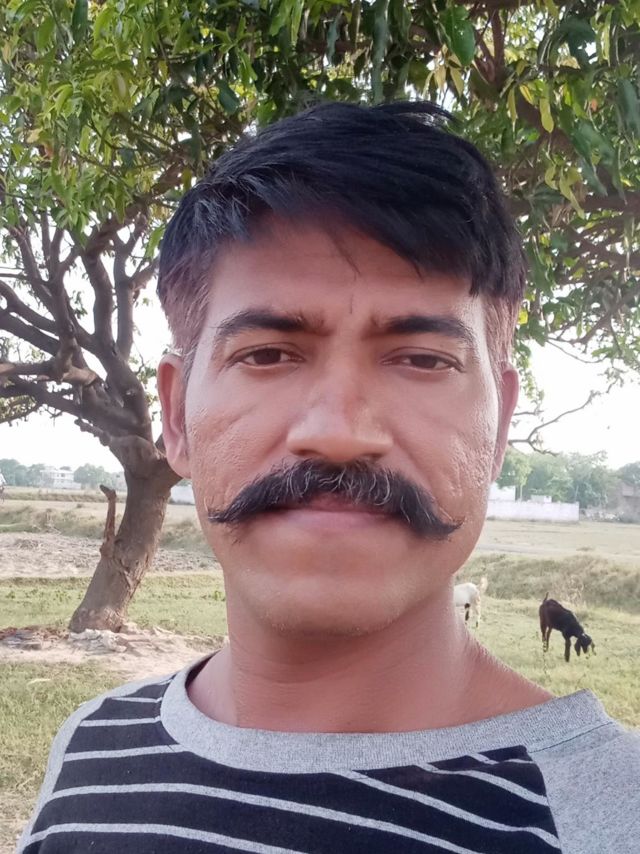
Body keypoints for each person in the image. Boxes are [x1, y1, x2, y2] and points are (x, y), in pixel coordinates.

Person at [18, 101, 639, 854]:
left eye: (423, 360)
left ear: (500, 423)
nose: (340, 433)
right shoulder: (87, 756)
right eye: (267, 354)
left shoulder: (611, 818)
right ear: (175, 415)